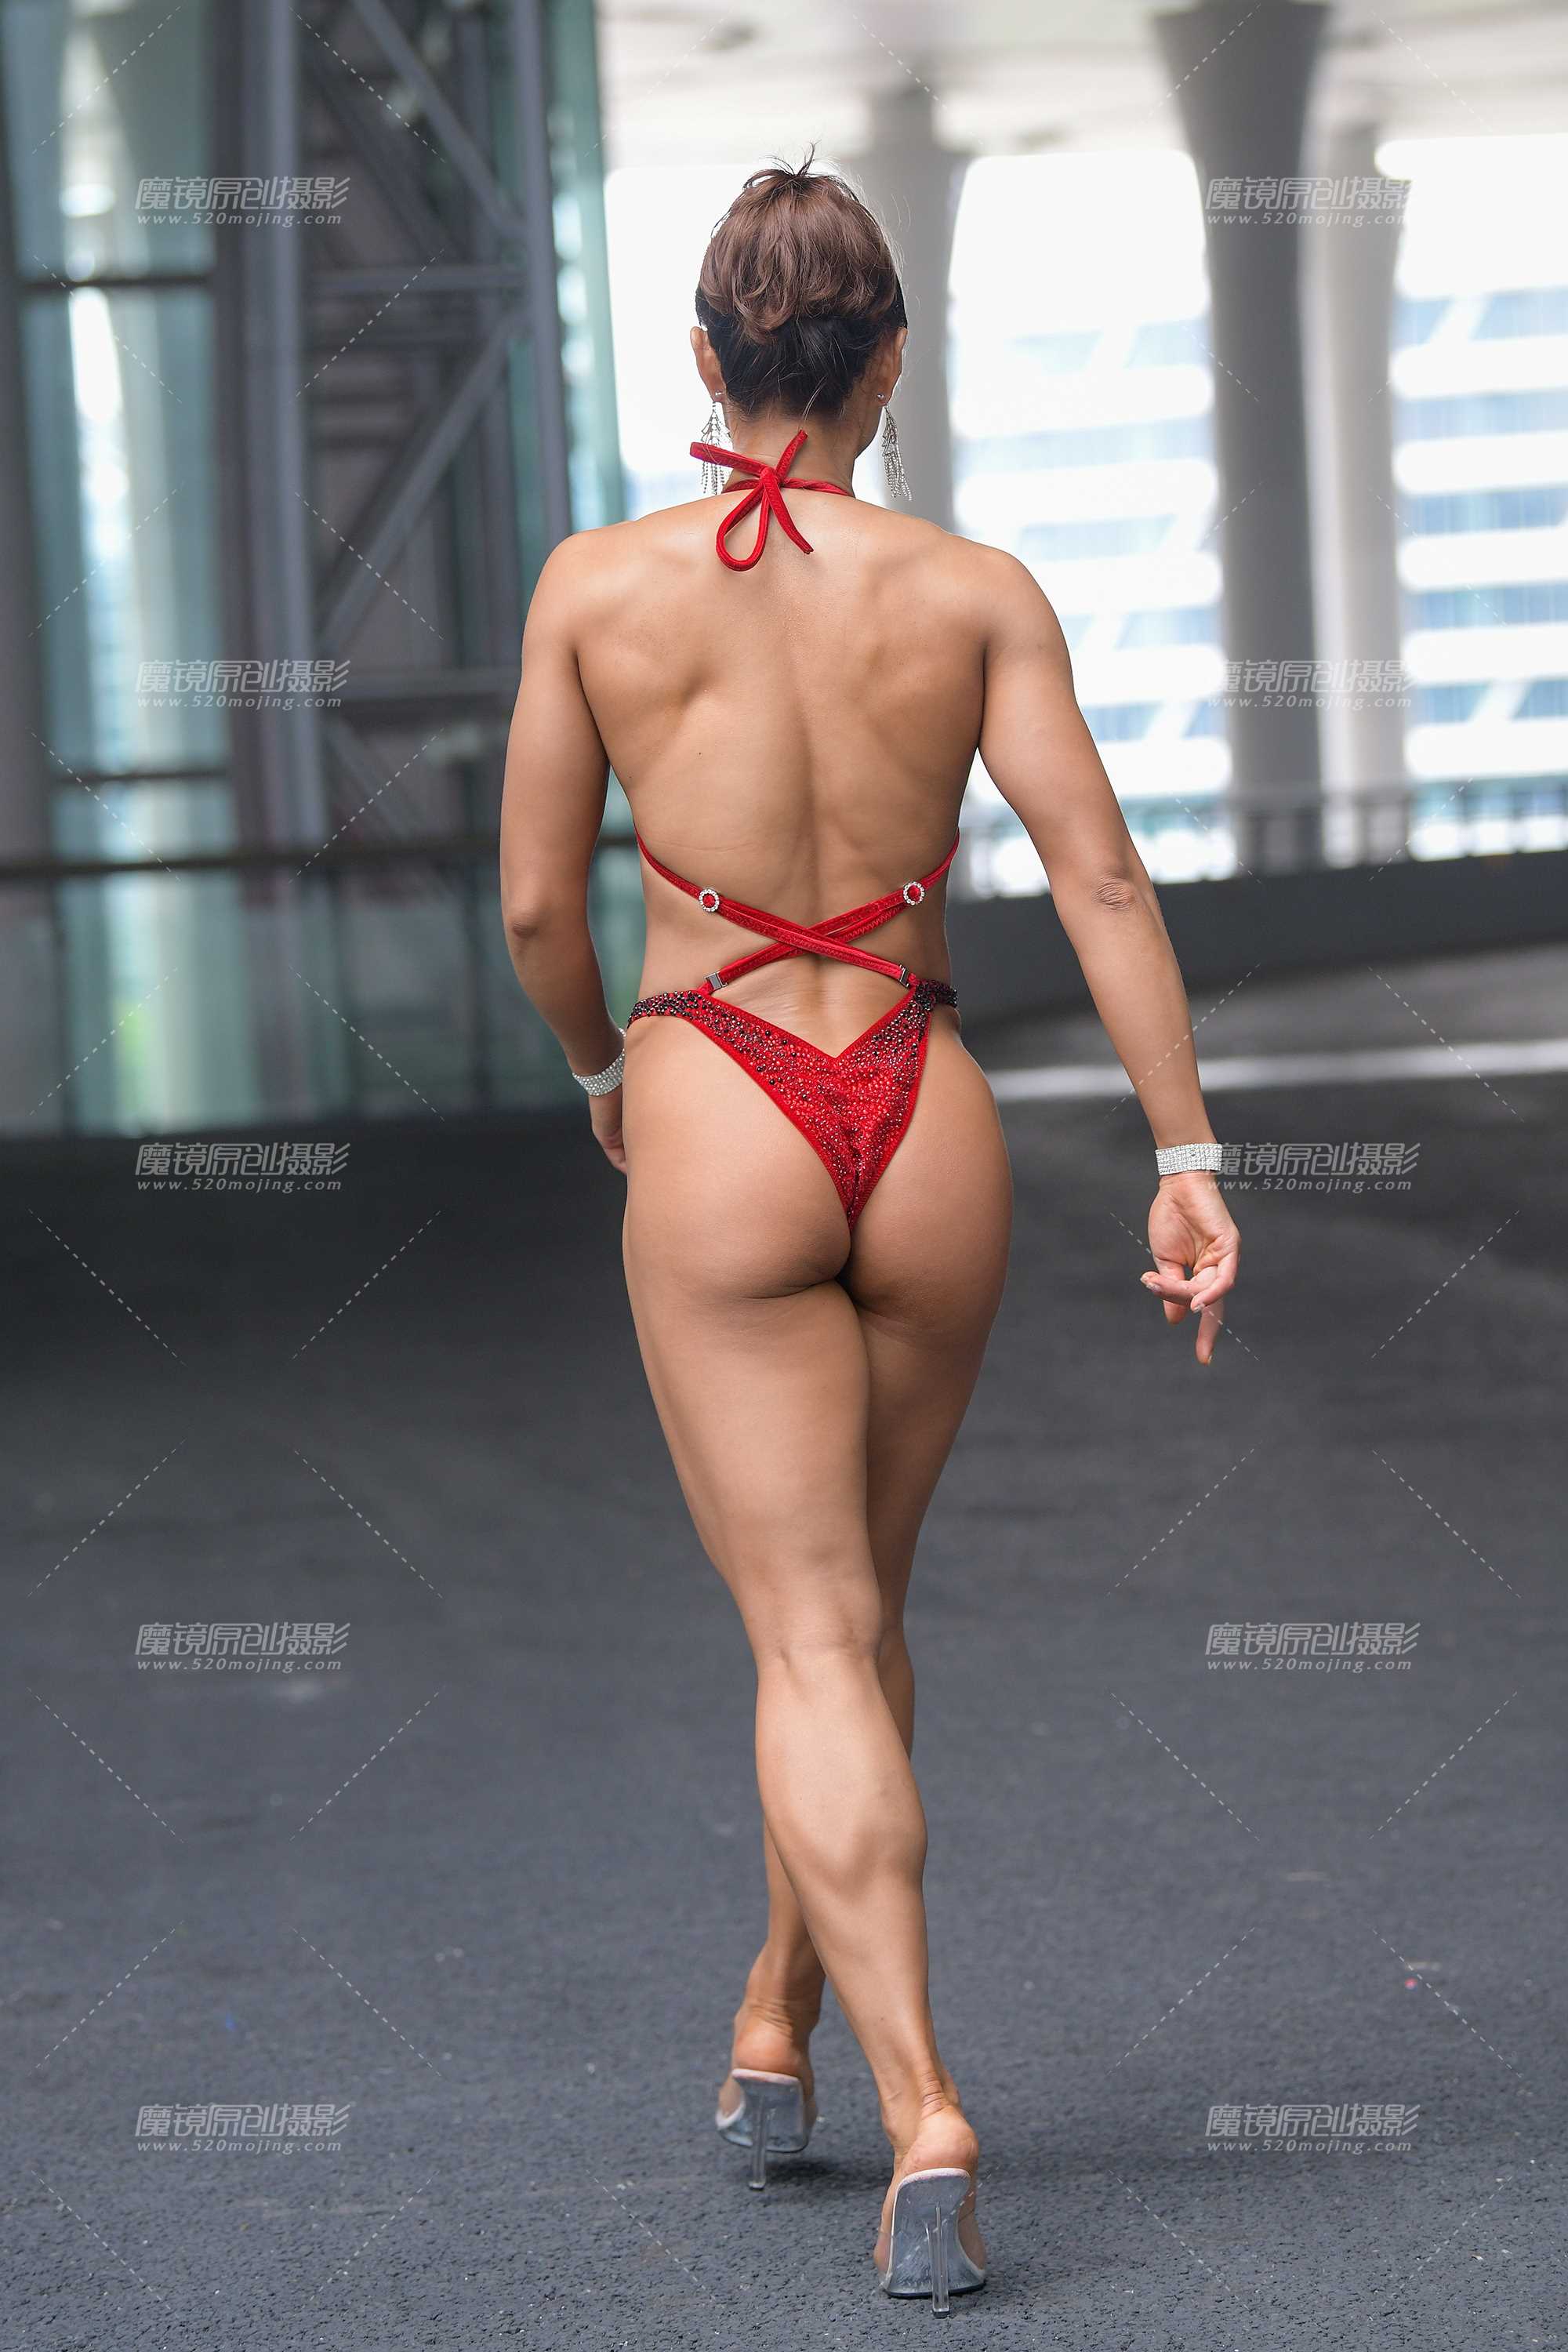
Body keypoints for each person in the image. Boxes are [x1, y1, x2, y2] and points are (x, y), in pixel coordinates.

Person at [500, 158, 1240, 2310]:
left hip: (718, 1095)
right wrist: (1188, 1149)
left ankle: (925, 2109)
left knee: (814, 1633)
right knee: (853, 1616)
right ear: (890, 364)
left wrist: (603, 1074)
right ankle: (777, 2012)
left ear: (702, 357)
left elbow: (539, 906)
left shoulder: (596, 589)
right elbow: (1102, 881)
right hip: (926, 1114)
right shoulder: (973, 587)